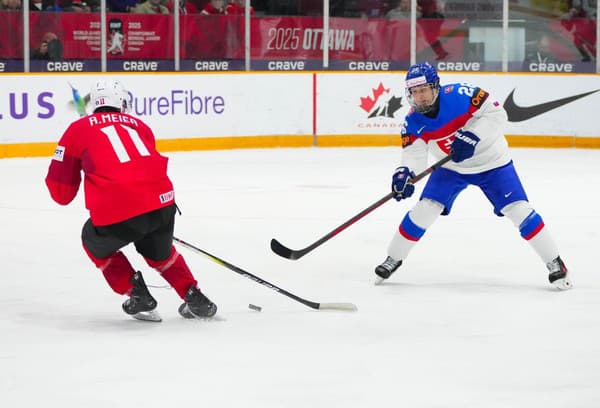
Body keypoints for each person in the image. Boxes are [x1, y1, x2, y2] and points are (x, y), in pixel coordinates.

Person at [375, 62, 571, 291]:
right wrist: (405, 174)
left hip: (493, 163)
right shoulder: (413, 121)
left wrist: (473, 136)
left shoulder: (461, 94)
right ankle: (393, 257)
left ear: (435, 87)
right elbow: (414, 155)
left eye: (423, 90)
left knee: (519, 210)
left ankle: (554, 261)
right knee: (424, 209)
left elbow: (498, 114)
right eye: (414, 92)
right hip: (451, 169)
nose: (419, 97)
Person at [45, 79, 217, 321]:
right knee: (160, 253)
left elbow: (61, 194)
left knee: (91, 239)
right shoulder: (140, 126)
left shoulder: (77, 129)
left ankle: (137, 294)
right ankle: (194, 296)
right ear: (121, 102)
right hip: (163, 204)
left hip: (119, 209)